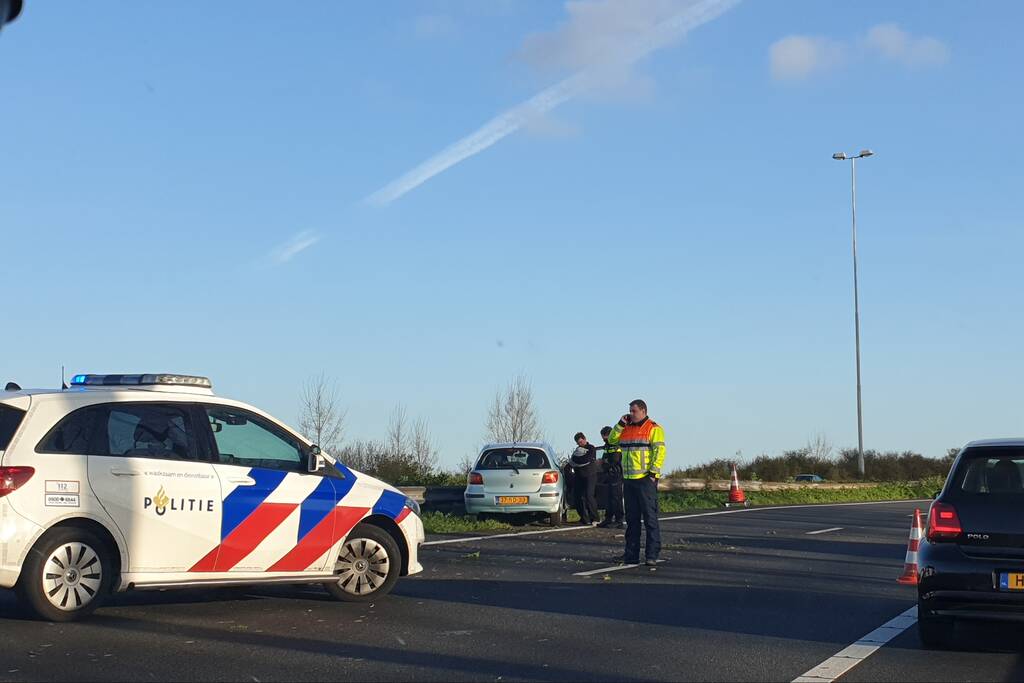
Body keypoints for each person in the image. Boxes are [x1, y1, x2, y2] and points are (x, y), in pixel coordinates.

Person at [606, 399, 666, 566]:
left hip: (645, 480)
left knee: (650, 518)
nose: (631, 414)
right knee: (632, 520)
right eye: (630, 411)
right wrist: (619, 424)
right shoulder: (625, 428)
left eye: (634, 411)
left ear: (643, 411)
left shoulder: (653, 428)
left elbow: (659, 451)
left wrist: (653, 473)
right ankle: (631, 554)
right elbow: (611, 440)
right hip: (629, 480)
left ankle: (652, 554)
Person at [597, 426, 624, 528]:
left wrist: (604, 462)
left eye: (605, 437)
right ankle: (608, 519)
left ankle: (619, 520)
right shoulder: (607, 446)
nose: (603, 439)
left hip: (616, 473)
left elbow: (615, 460)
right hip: (608, 474)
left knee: (616, 497)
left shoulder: (616, 445)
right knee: (608, 498)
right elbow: (605, 458)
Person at [570, 432, 599, 526]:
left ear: (585, 439)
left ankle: (595, 518)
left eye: (581, 442)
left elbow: (586, 459)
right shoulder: (577, 450)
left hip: (590, 475)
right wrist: (579, 460)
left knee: (589, 495)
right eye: (578, 443)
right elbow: (573, 460)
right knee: (577, 497)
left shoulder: (591, 448)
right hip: (579, 475)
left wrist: (578, 460)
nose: (580, 444)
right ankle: (584, 518)